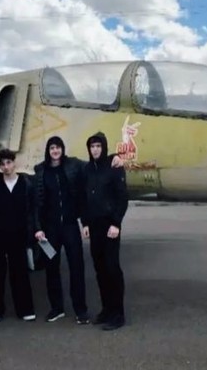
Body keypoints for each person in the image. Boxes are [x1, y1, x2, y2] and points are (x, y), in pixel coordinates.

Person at [32, 136, 91, 324]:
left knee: (76, 267)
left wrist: (115, 159)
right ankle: (56, 308)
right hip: (50, 230)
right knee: (51, 268)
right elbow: (37, 203)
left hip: (70, 226)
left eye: (58, 147)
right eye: (52, 148)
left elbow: (93, 166)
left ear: (62, 149)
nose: (55, 151)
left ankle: (80, 310)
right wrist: (38, 228)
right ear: (48, 151)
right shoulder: (40, 171)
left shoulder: (73, 165)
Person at [0, 149, 38, 323]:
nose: (6, 167)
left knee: (20, 272)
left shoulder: (26, 183)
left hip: (19, 234)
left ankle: (25, 309)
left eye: (8, 163)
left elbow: (31, 209)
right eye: (2, 164)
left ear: (14, 163)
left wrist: (31, 231)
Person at [82, 131, 129, 331]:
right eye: (92, 146)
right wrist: (84, 223)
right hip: (94, 226)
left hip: (110, 226)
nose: (95, 150)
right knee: (100, 269)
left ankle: (118, 314)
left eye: (98, 146)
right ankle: (106, 309)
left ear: (104, 147)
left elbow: (122, 197)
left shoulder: (114, 166)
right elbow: (83, 198)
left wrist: (116, 223)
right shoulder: (87, 170)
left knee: (112, 268)